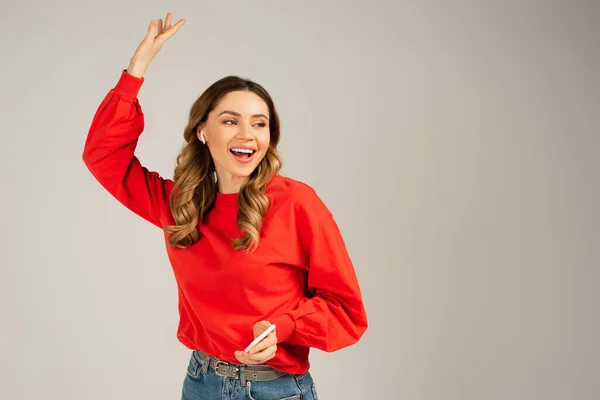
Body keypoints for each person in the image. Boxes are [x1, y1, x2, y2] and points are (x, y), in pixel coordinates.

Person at [82, 12, 368, 400]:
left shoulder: (297, 204)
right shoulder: (181, 205)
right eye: (231, 121)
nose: (247, 135)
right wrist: (136, 70)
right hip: (201, 381)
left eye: (259, 123)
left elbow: (347, 311)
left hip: (274, 390)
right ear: (203, 131)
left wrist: (282, 328)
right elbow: (104, 157)